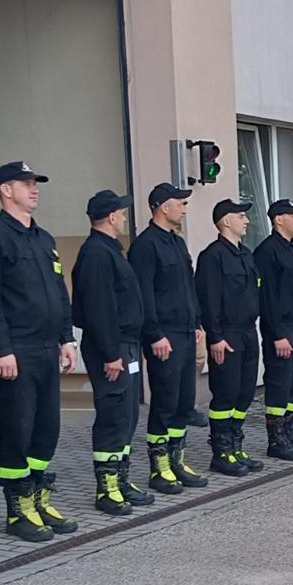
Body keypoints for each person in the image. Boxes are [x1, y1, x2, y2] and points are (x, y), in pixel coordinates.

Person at [0, 161, 81, 542]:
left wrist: (67, 338)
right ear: (6, 191)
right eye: (26, 184)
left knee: (46, 429)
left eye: (35, 183)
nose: (34, 189)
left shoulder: (43, 238)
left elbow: (59, 292)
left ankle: (38, 498)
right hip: (16, 351)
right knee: (17, 429)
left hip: (47, 348)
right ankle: (18, 510)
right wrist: (0, 348)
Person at [73, 190, 149, 515]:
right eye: (122, 212)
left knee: (127, 415)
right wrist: (110, 353)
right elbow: (99, 308)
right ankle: (107, 489)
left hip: (125, 345)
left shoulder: (111, 250)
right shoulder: (96, 253)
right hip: (112, 348)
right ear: (111, 216)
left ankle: (121, 479)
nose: (125, 217)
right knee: (113, 416)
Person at [130, 183, 208, 494]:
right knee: (164, 401)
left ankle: (177, 461)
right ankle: (159, 468)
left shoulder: (176, 242)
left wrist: (197, 321)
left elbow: (188, 286)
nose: (185, 208)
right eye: (181, 203)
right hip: (164, 335)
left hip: (186, 332)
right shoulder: (145, 246)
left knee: (183, 401)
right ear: (164, 207)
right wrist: (154, 334)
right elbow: (143, 295)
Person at [195, 200, 266, 476]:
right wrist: (215, 337)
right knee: (225, 394)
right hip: (227, 335)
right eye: (240, 216)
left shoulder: (246, 254)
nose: (246, 221)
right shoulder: (212, 256)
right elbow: (208, 299)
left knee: (244, 393)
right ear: (226, 221)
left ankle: (236, 446)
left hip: (248, 331)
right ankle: (221, 451)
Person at [256, 199, 293, 460]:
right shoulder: (267, 251)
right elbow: (267, 298)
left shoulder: (292, 250)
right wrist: (278, 334)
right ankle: (276, 440)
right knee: (279, 383)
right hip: (281, 329)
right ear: (278, 219)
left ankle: (290, 434)